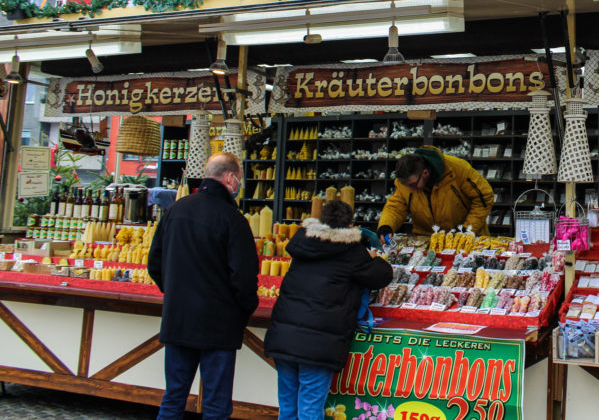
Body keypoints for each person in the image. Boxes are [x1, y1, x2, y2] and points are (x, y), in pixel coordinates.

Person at [147, 152, 258, 420]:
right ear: (231, 178)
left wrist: (174, 292)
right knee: (216, 405)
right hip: (218, 325)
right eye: (239, 178)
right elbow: (244, 277)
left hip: (178, 318)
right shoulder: (233, 219)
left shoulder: (176, 210)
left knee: (173, 397)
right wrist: (244, 310)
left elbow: (154, 263)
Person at [264, 201, 393, 420]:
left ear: (321, 221)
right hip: (317, 346)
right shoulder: (352, 253)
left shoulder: (303, 245)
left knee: (287, 409)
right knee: (310, 410)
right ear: (351, 225)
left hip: (284, 339)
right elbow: (382, 275)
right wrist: (375, 257)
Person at [377, 145, 494, 241]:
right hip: (427, 240)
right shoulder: (408, 182)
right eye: (407, 186)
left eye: (413, 185)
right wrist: (386, 226)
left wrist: (466, 230)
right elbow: (396, 207)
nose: (410, 189)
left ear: (425, 173)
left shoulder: (458, 169)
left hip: (466, 238)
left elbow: (484, 197)